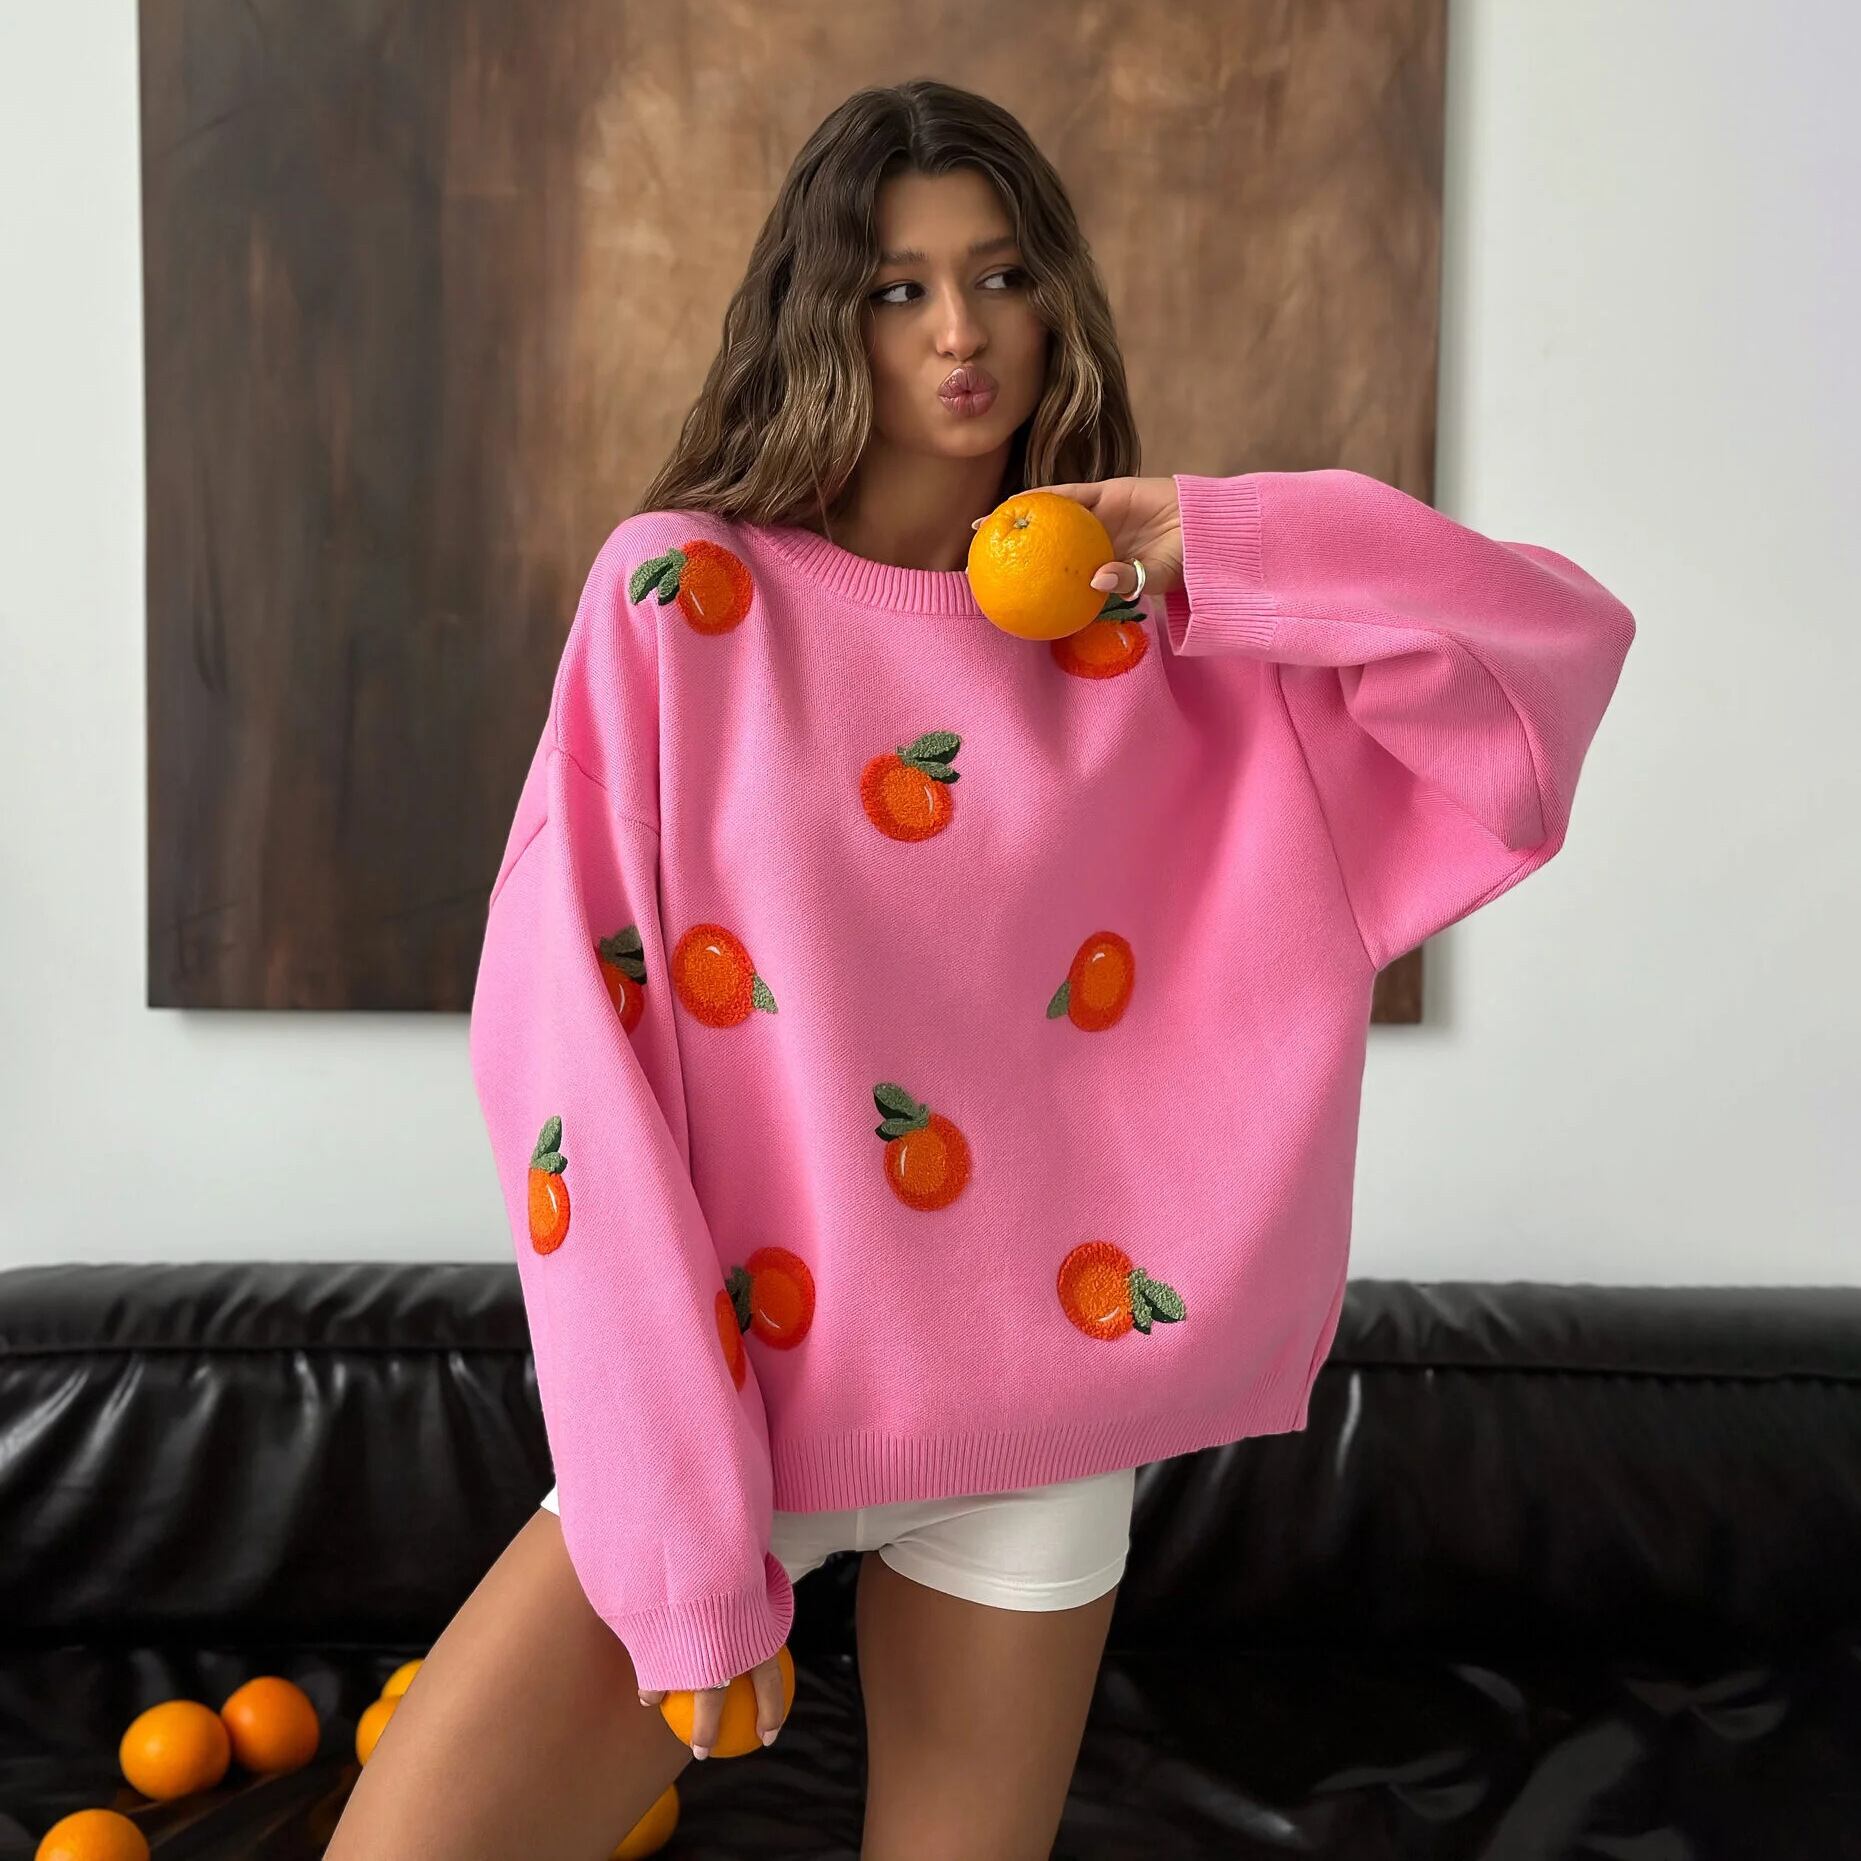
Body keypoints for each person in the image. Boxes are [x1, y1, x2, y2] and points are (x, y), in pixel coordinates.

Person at [328, 77, 1635, 1860]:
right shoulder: (679, 603)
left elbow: (1546, 654)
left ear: (1055, 298)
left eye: (1002, 275)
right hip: (749, 1412)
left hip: (1044, 1424)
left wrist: (1223, 543)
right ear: (823, 315)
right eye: (898, 287)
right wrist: (682, 1541)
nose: (961, 331)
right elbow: (566, 1068)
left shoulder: (1169, 647)